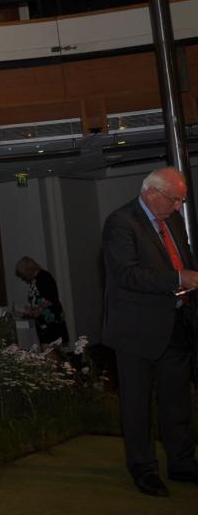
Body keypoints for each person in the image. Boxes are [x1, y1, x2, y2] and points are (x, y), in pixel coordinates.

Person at [102, 166, 198, 497]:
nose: (178, 208)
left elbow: (180, 261)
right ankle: (143, 469)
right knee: (137, 406)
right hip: (135, 332)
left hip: (175, 325)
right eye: (174, 200)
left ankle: (183, 463)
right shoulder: (120, 222)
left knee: (177, 402)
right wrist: (178, 279)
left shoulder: (171, 221)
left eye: (181, 201)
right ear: (151, 193)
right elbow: (127, 275)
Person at [15, 256, 69, 345]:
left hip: (50, 320)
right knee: (47, 350)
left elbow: (51, 298)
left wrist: (38, 309)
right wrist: (31, 309)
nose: (23, 277)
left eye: (23, 274)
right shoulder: (36, 279)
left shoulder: (44, 277)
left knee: (49, 351)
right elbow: (39, 299)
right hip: (43, 320)